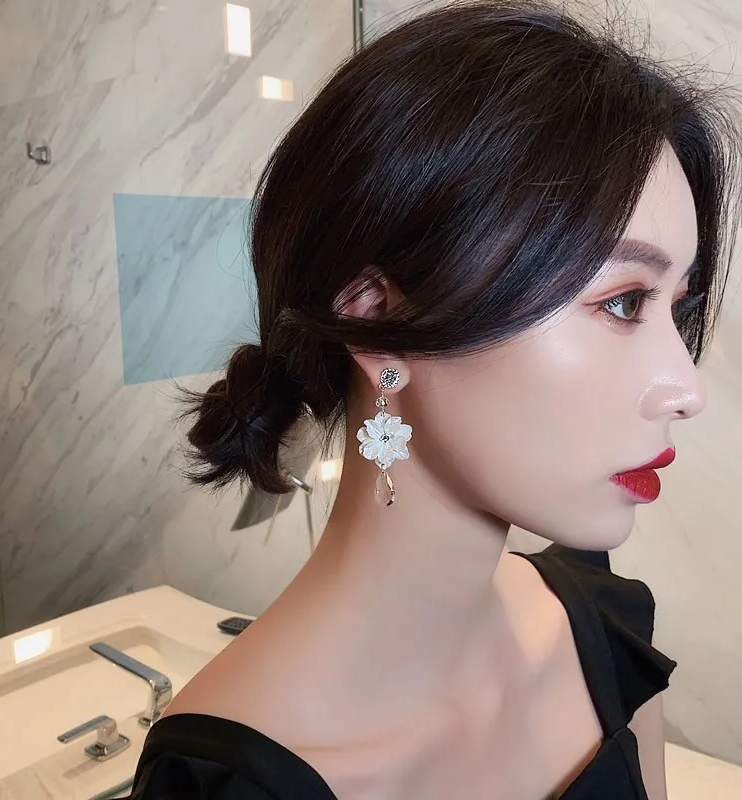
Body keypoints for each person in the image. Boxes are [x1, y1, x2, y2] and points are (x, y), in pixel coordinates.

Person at [129, 2, 740, 798]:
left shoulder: (599, 628)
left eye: (675, 306)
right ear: (376, 321)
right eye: (624, 301)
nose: (686, 389)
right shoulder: (234, 782)